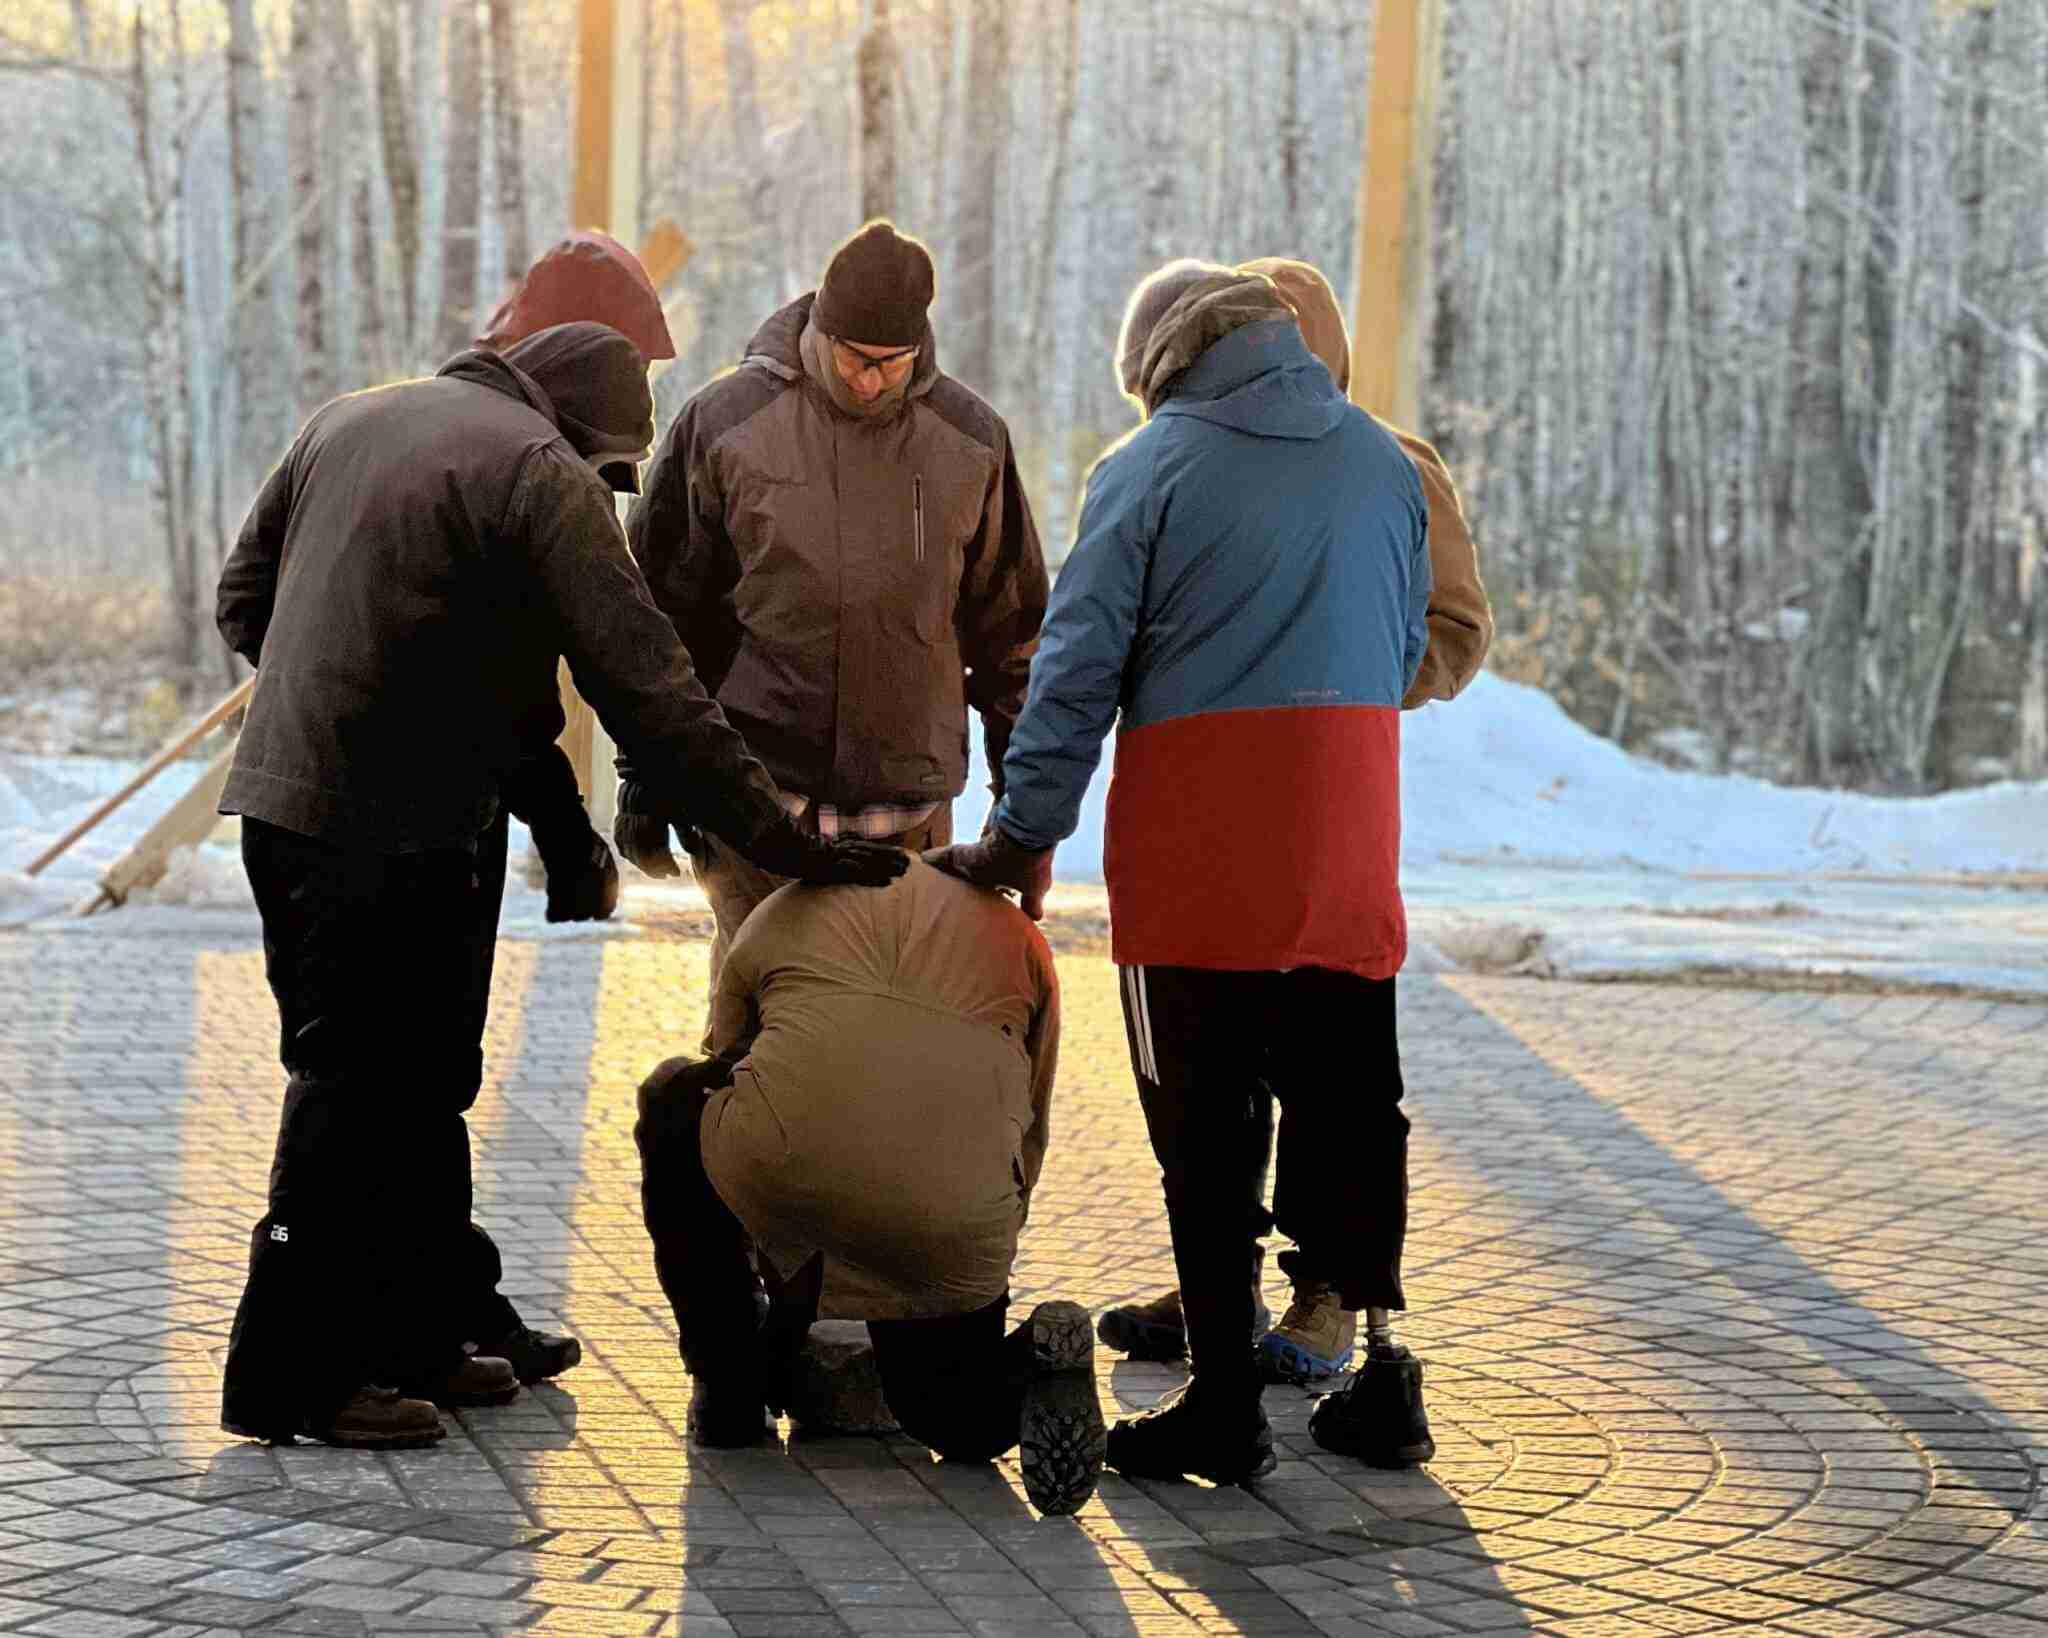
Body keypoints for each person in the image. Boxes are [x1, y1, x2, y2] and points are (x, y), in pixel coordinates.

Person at [214, 320, 906, 1451]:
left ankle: (423, 1330)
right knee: (353, 1083)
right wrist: (784, 843)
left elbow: (246, 604)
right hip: (387, 821)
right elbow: (648, 687)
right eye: (614, 471)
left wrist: (349, 695)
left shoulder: (348, 418)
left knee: (419, 1077)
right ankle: (289, 1374)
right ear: (586, 430)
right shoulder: (540, 474)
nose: (612, 490)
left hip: (296, 808)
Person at [928, 262, 1433, 1482]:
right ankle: (1383, 1380)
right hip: (1349, 849)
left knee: (1205, 1140)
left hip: (1200, 866)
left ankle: (1223, 1408)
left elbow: (1074, 673)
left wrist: (1014, 839)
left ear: (1160, 363)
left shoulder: (1147, 469)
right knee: (1351, 1110)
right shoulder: (1383, 465)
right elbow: (1409, 645)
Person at [1095, 256, 1492, 1391]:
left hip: (1324, 812)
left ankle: (1327, 1293)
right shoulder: (1199, 459)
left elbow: (1453, 630)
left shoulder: (1385, 465)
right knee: (1209, 1080)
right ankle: (1218, 1276)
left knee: (1336, 1077)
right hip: (1216, 822)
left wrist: (1331, 685)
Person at [612, 219, 1048, 1026]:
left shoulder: (971, 441)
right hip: (755, 807)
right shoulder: (725, 424)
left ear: (919, 342)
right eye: (854, 358)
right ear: (819, 329)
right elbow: (657, 627)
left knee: (893, 1049)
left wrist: (1022, 806)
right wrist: (644, 777)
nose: (872, 381)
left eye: (892, 363)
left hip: (908, 817)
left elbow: (1012, 634)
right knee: (755, 1045)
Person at [632, 860, 1104, 1516]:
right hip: (952, 1211)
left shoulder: (785, 904)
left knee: (675, 1097)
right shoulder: (1019, 936)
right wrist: (967, 1262)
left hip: (788, 1167)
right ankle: (1036, 1360)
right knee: (955, 1423)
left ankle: (729, 1391)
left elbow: (727, 1058)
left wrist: (794, 1258)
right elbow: (1032, 1123)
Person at [431, 229, 684, 1391]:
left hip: (452, 791)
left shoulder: (487, 417)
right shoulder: (514, 453)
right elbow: (533, 675)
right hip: (423, 802)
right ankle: (431, 1316)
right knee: (404, 1075)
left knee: (426, 1072)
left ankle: (453, 1302)